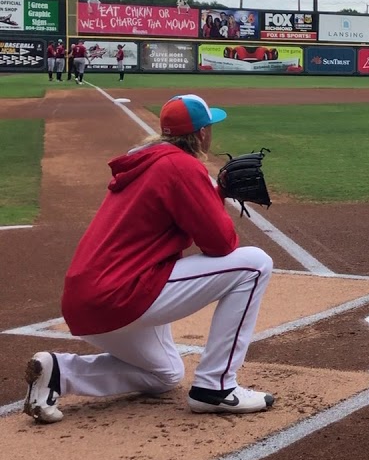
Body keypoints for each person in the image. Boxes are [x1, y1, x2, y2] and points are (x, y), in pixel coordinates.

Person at [23, 94, 277, 424]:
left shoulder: (148, 162)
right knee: (253, 264)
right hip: (123, 293)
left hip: (88, 301)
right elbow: (221, 243)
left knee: (164, 374)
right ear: (201, 134)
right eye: (209, 126)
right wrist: (218, 200)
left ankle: (61, 373)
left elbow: (171, 203)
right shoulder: (181, 166)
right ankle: (215, 386)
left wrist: (213, 193)